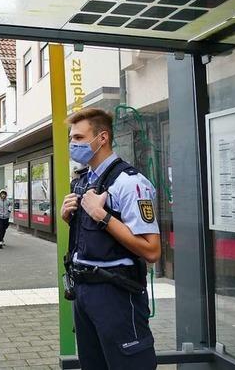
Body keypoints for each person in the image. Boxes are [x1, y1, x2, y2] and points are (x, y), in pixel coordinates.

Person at [60, 108, 161, 370]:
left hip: (116, 294)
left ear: (102, 138)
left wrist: (101, 216)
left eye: (80, 138)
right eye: (72, 138)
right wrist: (69, 217)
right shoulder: (82, 182)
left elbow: (152, 250)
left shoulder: (130, 183)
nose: (73, 144)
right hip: (84, 292)